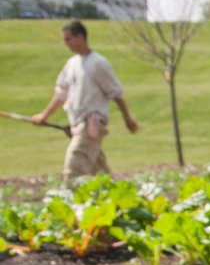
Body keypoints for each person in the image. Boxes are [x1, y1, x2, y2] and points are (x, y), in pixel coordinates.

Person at [32, 20, 138, 180]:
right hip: (77, 122)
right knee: (99, 171)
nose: (66, 43)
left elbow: (117, 95)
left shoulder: (98, 63)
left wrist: (128, 120)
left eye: (68, 39)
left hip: (91, 122)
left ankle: (67, 199)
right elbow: (61, 95)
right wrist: (43, 116)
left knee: (75, 163)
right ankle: (115, 196)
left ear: (80, 36)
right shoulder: (72, 64)